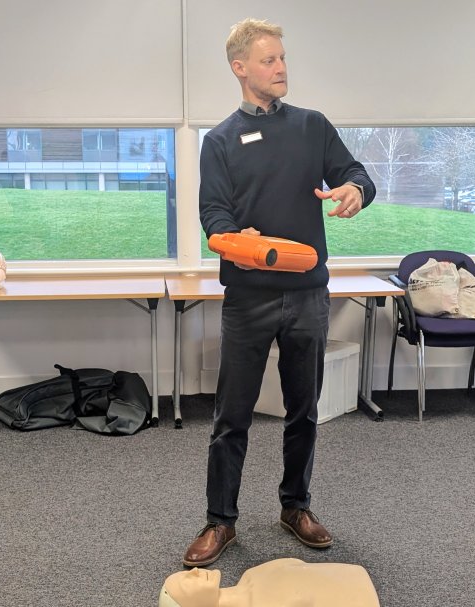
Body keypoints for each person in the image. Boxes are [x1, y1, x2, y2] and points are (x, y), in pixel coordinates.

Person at [184, 17, 376, 568]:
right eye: (269, 60)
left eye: (283, 58)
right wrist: (235, 239)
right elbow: (213, 214)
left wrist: (355, 189)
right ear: (240, 67)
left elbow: (356, 172)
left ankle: (296, 507)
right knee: (232, 416)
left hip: (308, 296)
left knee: (304, 411)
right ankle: (221, 521)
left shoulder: (312, 126)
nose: (281, 67)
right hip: (249, 297)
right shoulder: (220, 141)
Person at [159, 558, 380, 606]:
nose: (194, 571)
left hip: (350, 577)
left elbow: (299, 565)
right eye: (186, 581)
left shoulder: (250, 575)